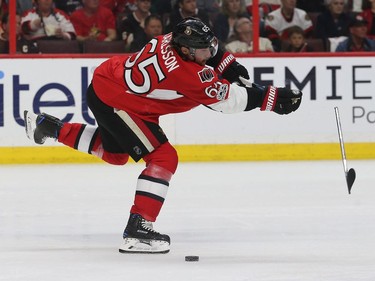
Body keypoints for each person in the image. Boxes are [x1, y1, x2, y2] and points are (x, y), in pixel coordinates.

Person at [24, 17, 302, 254]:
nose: (209, 53)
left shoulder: (173, 38)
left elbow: (212, 53)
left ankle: (51, 127)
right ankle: (138, 228)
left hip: (110, 85)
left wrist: (230, 68)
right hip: (120, 102)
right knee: (164, 157)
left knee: (116, 154)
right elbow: (228, 101)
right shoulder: (187, 74)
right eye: (203, 51)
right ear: (186, 51)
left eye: (208, 47)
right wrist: (272, 97)